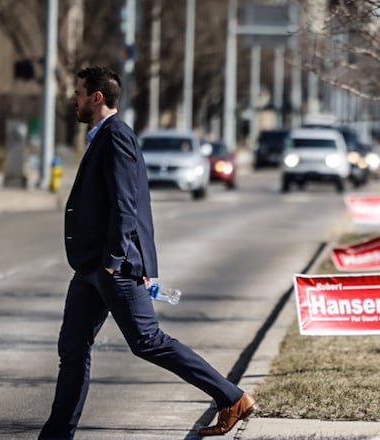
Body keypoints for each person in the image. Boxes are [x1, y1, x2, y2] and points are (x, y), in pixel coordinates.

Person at [39, 66, 256, 439]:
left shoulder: (116, 136)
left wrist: (113, 261)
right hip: (90, 267)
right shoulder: (101, 136)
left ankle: (231, 397)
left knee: (147, 341)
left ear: (97, 97)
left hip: (113, 267)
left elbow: (128, 204)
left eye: (77, 92)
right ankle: (57, 434)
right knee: (72, 349)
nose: (72, 99)